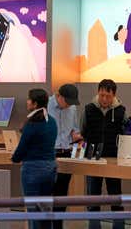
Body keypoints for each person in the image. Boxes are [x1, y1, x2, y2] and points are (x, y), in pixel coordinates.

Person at [81, 79, 127, 229]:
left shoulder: (121, 111)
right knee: (93, 197)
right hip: (93, 158)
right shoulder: (89, 109)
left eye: (108, 96)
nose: (104, 99)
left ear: (114, 95)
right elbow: (83, 130)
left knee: (116, 197)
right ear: (98, 93)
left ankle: (118, 226)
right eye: (101, 95)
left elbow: (126, 132)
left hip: (113, 158)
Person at [11, 88, 58, 229]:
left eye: (29, 99)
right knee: (45, 209)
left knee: (33, 210)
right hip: (50, 168)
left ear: (35, 103)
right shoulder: (52, 122)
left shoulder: (31, 124)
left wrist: (14, 158)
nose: (27, 101)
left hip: (32, 169)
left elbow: (22, 148)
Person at [48, 83, 82, 229]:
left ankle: (58, 225)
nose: (69, 106)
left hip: (66, 153)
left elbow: (74, 130)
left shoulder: (72, 108)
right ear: (59, 96)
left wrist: (78, 137)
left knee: (61, 193)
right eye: (67, 102)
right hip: (50, 153)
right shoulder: (46, 105)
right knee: (47, 191)